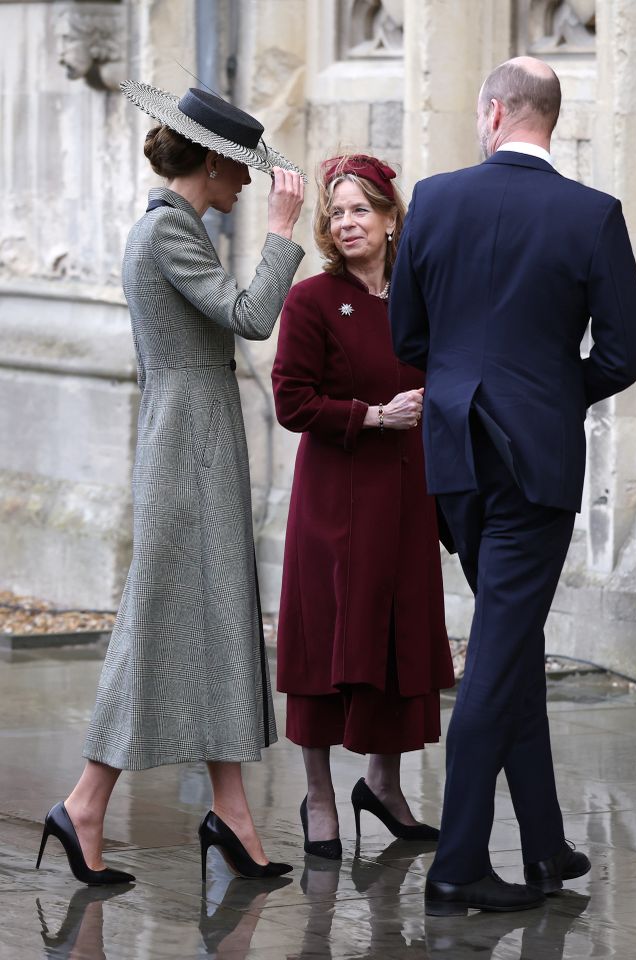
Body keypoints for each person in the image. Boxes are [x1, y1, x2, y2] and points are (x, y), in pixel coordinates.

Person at [390, 57, 636, 915]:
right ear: (551, 118)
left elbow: (409, 334)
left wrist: (472, 383)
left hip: (456, 454)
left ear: (494, 112)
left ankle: (544, 845)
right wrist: (546, 390)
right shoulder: (592, 214)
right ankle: (459, 863)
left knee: (511, 640)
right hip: (534, 459)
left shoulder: (433, 199)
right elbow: (624, 356)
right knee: (500, 650)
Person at [36, 81, 306, 885]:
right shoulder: (167, 235)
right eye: (243, 170)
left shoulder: (177, 227)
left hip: (196, 440)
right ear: (215, 164)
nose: (251, 186)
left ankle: (233, 814)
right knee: (157, 622)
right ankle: (85, 803)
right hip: (188, 447)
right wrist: (285, 235)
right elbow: (253, 316)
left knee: (220, 619)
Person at [271, 154, 454, 859]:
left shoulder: (419, 297)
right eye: (336, 212)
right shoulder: (311, 301)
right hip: (336, 502)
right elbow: (292, 401)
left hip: (407, 497)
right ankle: (319, 793)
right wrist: (374, 416)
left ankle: (384, 787)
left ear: (389, 219)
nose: (347, 223)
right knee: (327, 644)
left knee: (399, 639)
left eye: (359, 210)